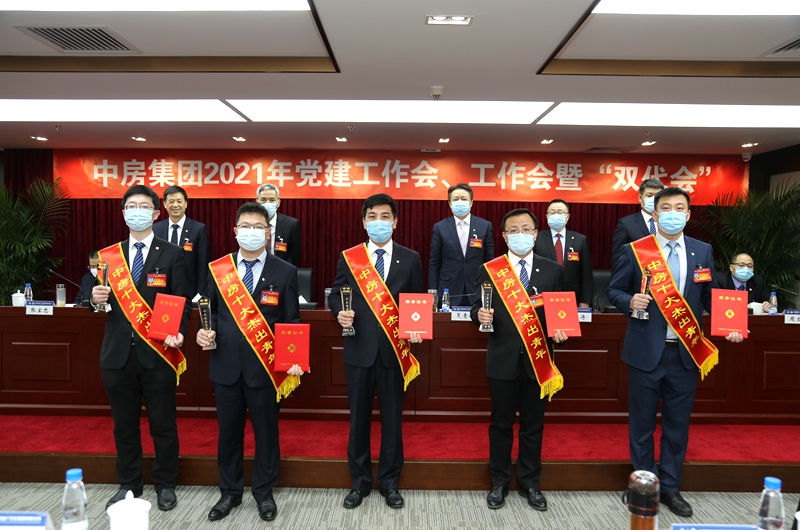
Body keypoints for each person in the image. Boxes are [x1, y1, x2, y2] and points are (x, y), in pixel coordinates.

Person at [607, 187, 744, 518]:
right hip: (645, 352)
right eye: (665, 207)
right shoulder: (636, 250)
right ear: (654, 214)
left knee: (677, 426)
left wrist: (732, 325)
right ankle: (644, 484)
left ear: (688, 214)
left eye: (679, 207)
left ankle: (670, 487)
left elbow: (711, 297)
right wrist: (629, 301)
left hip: (686, 352)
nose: (672, 213)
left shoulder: (702, 251)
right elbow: (614, 290)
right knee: (641, 425)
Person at [197, 202, 304, 522]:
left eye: (258, 227)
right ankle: (229, 493)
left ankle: (264, 492)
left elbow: (291, 320)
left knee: (266, 434)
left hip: (265, 368)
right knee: (229, 434)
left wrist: (294, 357)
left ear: (268, 232)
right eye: (246, 226)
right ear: (235, 231)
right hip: (226, 366)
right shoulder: (219, 269)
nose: (251, 232)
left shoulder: (285, 271)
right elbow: (209, 311)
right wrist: (205, 331)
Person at [91, 185, 192, 512]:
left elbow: (182, 301)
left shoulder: (172, 253)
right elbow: (96, 305)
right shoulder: (108, 257)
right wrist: (94, 300)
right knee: (124, 426)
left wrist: (179, 331)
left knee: (163, 424)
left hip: (158, 352)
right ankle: (129, 485)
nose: (137, 211)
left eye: (143, 206)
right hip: (117, 355)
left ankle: (165, 483)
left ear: (155, 213)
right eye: (131, 206)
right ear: (123, 213)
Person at [329, 193, 423, 510]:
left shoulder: (410, 258)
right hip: (358, 350)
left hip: (394, 352)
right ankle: (359, 482)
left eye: (385, 216)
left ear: (395, 222)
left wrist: (418, 327)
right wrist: (338, 312)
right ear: (364, 221)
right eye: (372, 216)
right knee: (359, 420)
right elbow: (335, 294)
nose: (378, 222)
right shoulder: (350, 257)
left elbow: (417, 300)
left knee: (392, 421)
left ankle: (389, 482)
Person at [471, 208, 567, 512]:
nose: (520, 234)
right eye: (514, 230)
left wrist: (562, 331)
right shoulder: (490, 269)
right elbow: (476, 308)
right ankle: (499, 482)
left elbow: (561, 311)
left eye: (526, 229)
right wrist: (479, 315)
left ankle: (529, 483)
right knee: (500, 424)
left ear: (536, 234)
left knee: (533, 425)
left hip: (538, 361)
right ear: (504, 236)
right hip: (502, 360)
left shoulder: (553, 270)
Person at [428, 183, 494, 307]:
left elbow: (489, 261)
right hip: (448, 290)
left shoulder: (484, 226)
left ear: (471, 203)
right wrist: (432, 292)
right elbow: (434, 262)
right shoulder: (440, 227)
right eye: (455, 199)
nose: (460, 202)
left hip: (476, 289)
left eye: (463, 199)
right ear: (450, 203)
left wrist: (489, 290)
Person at [153, 185, 211, 299]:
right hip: (161, 290)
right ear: (164, 204)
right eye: (171, 201)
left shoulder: (198, 229)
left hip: (190, 290)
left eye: (179, 201)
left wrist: (200, 295)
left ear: (186, 204)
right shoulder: (156, 229)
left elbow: (203, 266)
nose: (175, 205)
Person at [533, 199, 593, 307]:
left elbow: (586, 274)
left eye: (560, 212)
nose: (556, 215)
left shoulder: (580, 240)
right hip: (543, 297)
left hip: (572, 297)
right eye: (552, 212)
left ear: (567, 217)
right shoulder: (537, 238)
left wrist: (585, 301)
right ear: (547, 216)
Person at [610, 179, 666, 271]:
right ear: (640, 198)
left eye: (657, 196)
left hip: (665, 275)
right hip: (637, 275)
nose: (654, 199)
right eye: (649, 195)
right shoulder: (626, 223)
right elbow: (618, 258)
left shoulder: (670, 222)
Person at [256, 183, 301, 265]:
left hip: (281, 269)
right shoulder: (249, 224)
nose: (268, 203)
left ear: (278, 203)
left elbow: (294, 256)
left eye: (272, 200)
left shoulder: (291, 224)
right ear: (257, 202)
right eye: (263, 199)